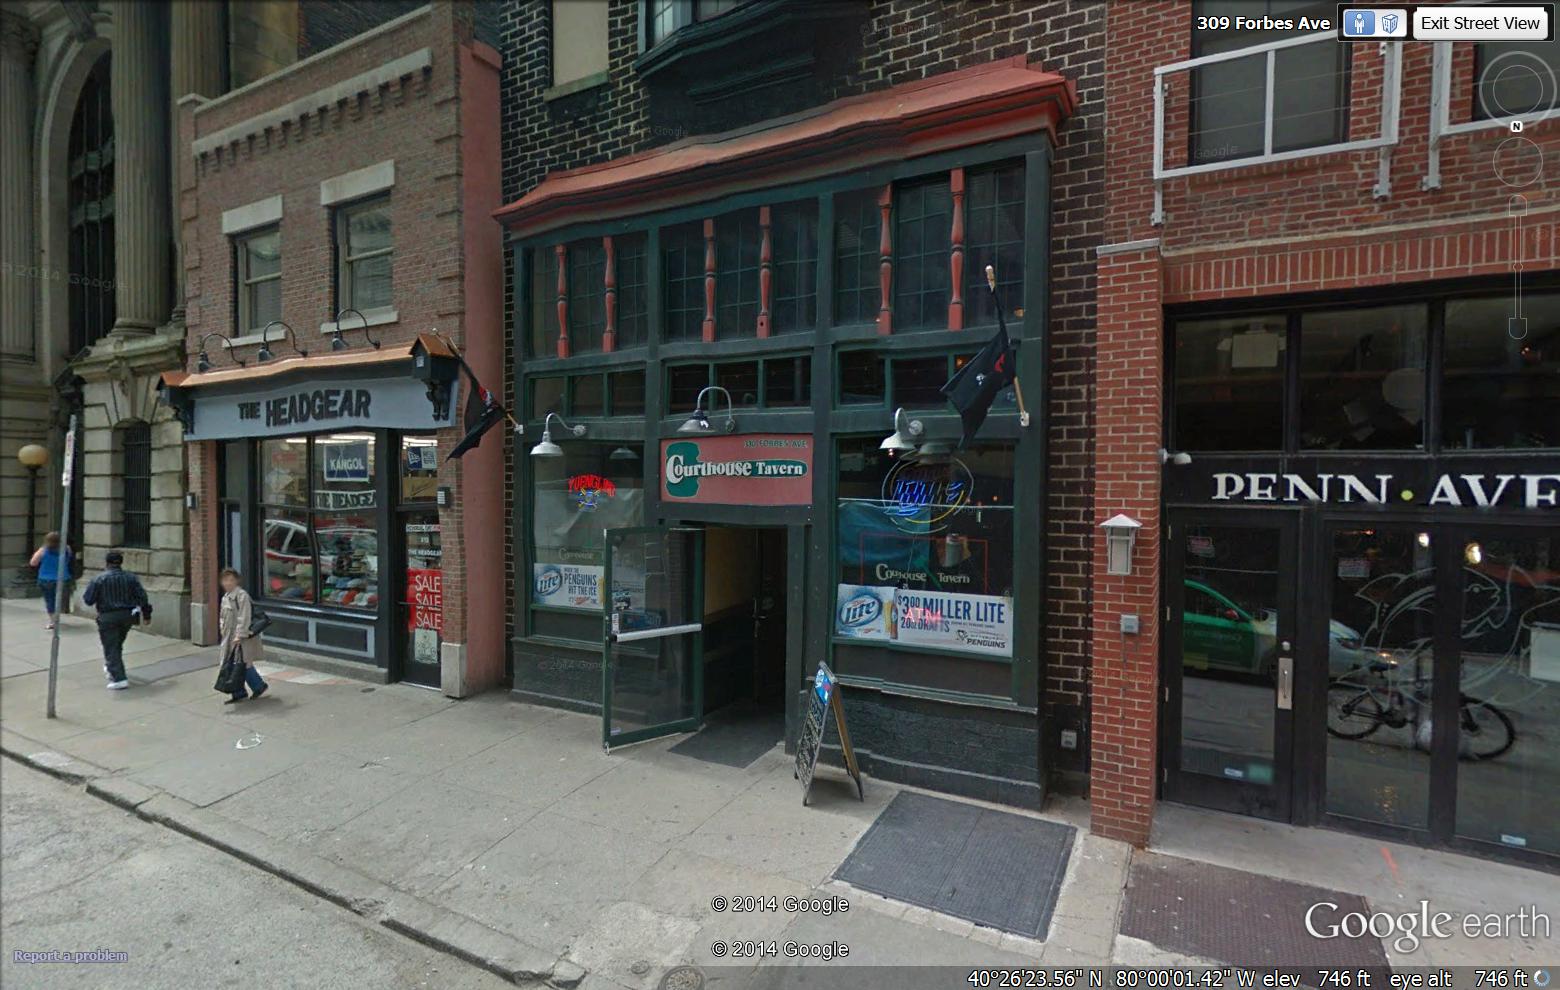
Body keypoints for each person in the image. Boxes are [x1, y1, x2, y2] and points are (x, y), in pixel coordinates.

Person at [81, 550, 148, 690]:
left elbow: (88, 600)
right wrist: (147, 615)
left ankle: (119, 678)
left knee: (111, 646)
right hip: (127, 616)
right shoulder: (131, 578)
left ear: (107, 563)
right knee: (117, 643)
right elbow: (142, 597)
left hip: (108, 616)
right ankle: (112, 666)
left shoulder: (99, 579)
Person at [218, 568, 269, 704]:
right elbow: (222, 616)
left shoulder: (241, 596)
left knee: (241, 663)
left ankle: (257, 686)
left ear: (236, 581)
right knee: (233, 664)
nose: (228, 583)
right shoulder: (225, 597)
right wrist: (222, 628)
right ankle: (241, 692)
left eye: (231, 580)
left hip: (241, 636)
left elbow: (244, 616)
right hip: (228, 636)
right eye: (225, 580)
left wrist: (239, 635)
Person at [28, 532, 70, 629]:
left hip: (46, 579)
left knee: (49, 600)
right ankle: (57, 617)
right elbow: (68, 559)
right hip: (62, 578)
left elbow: (33, 563)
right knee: (59, 599)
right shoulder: (66, 549)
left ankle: (53, 621)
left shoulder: (43, 550)